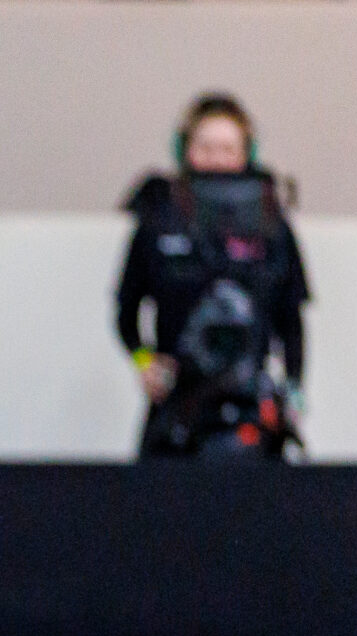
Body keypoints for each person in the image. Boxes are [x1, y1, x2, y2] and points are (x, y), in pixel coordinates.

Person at [116, 93, 311, 460]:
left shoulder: (272, 227)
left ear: (246, 154)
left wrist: (295, 388)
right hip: (178, 405)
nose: (216, 159)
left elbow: (292, 320)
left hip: (251, 406)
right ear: (184, 150)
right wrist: (144, 361)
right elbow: (125, 311)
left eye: (227, 149)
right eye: (204, 147)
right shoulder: (159, 220)